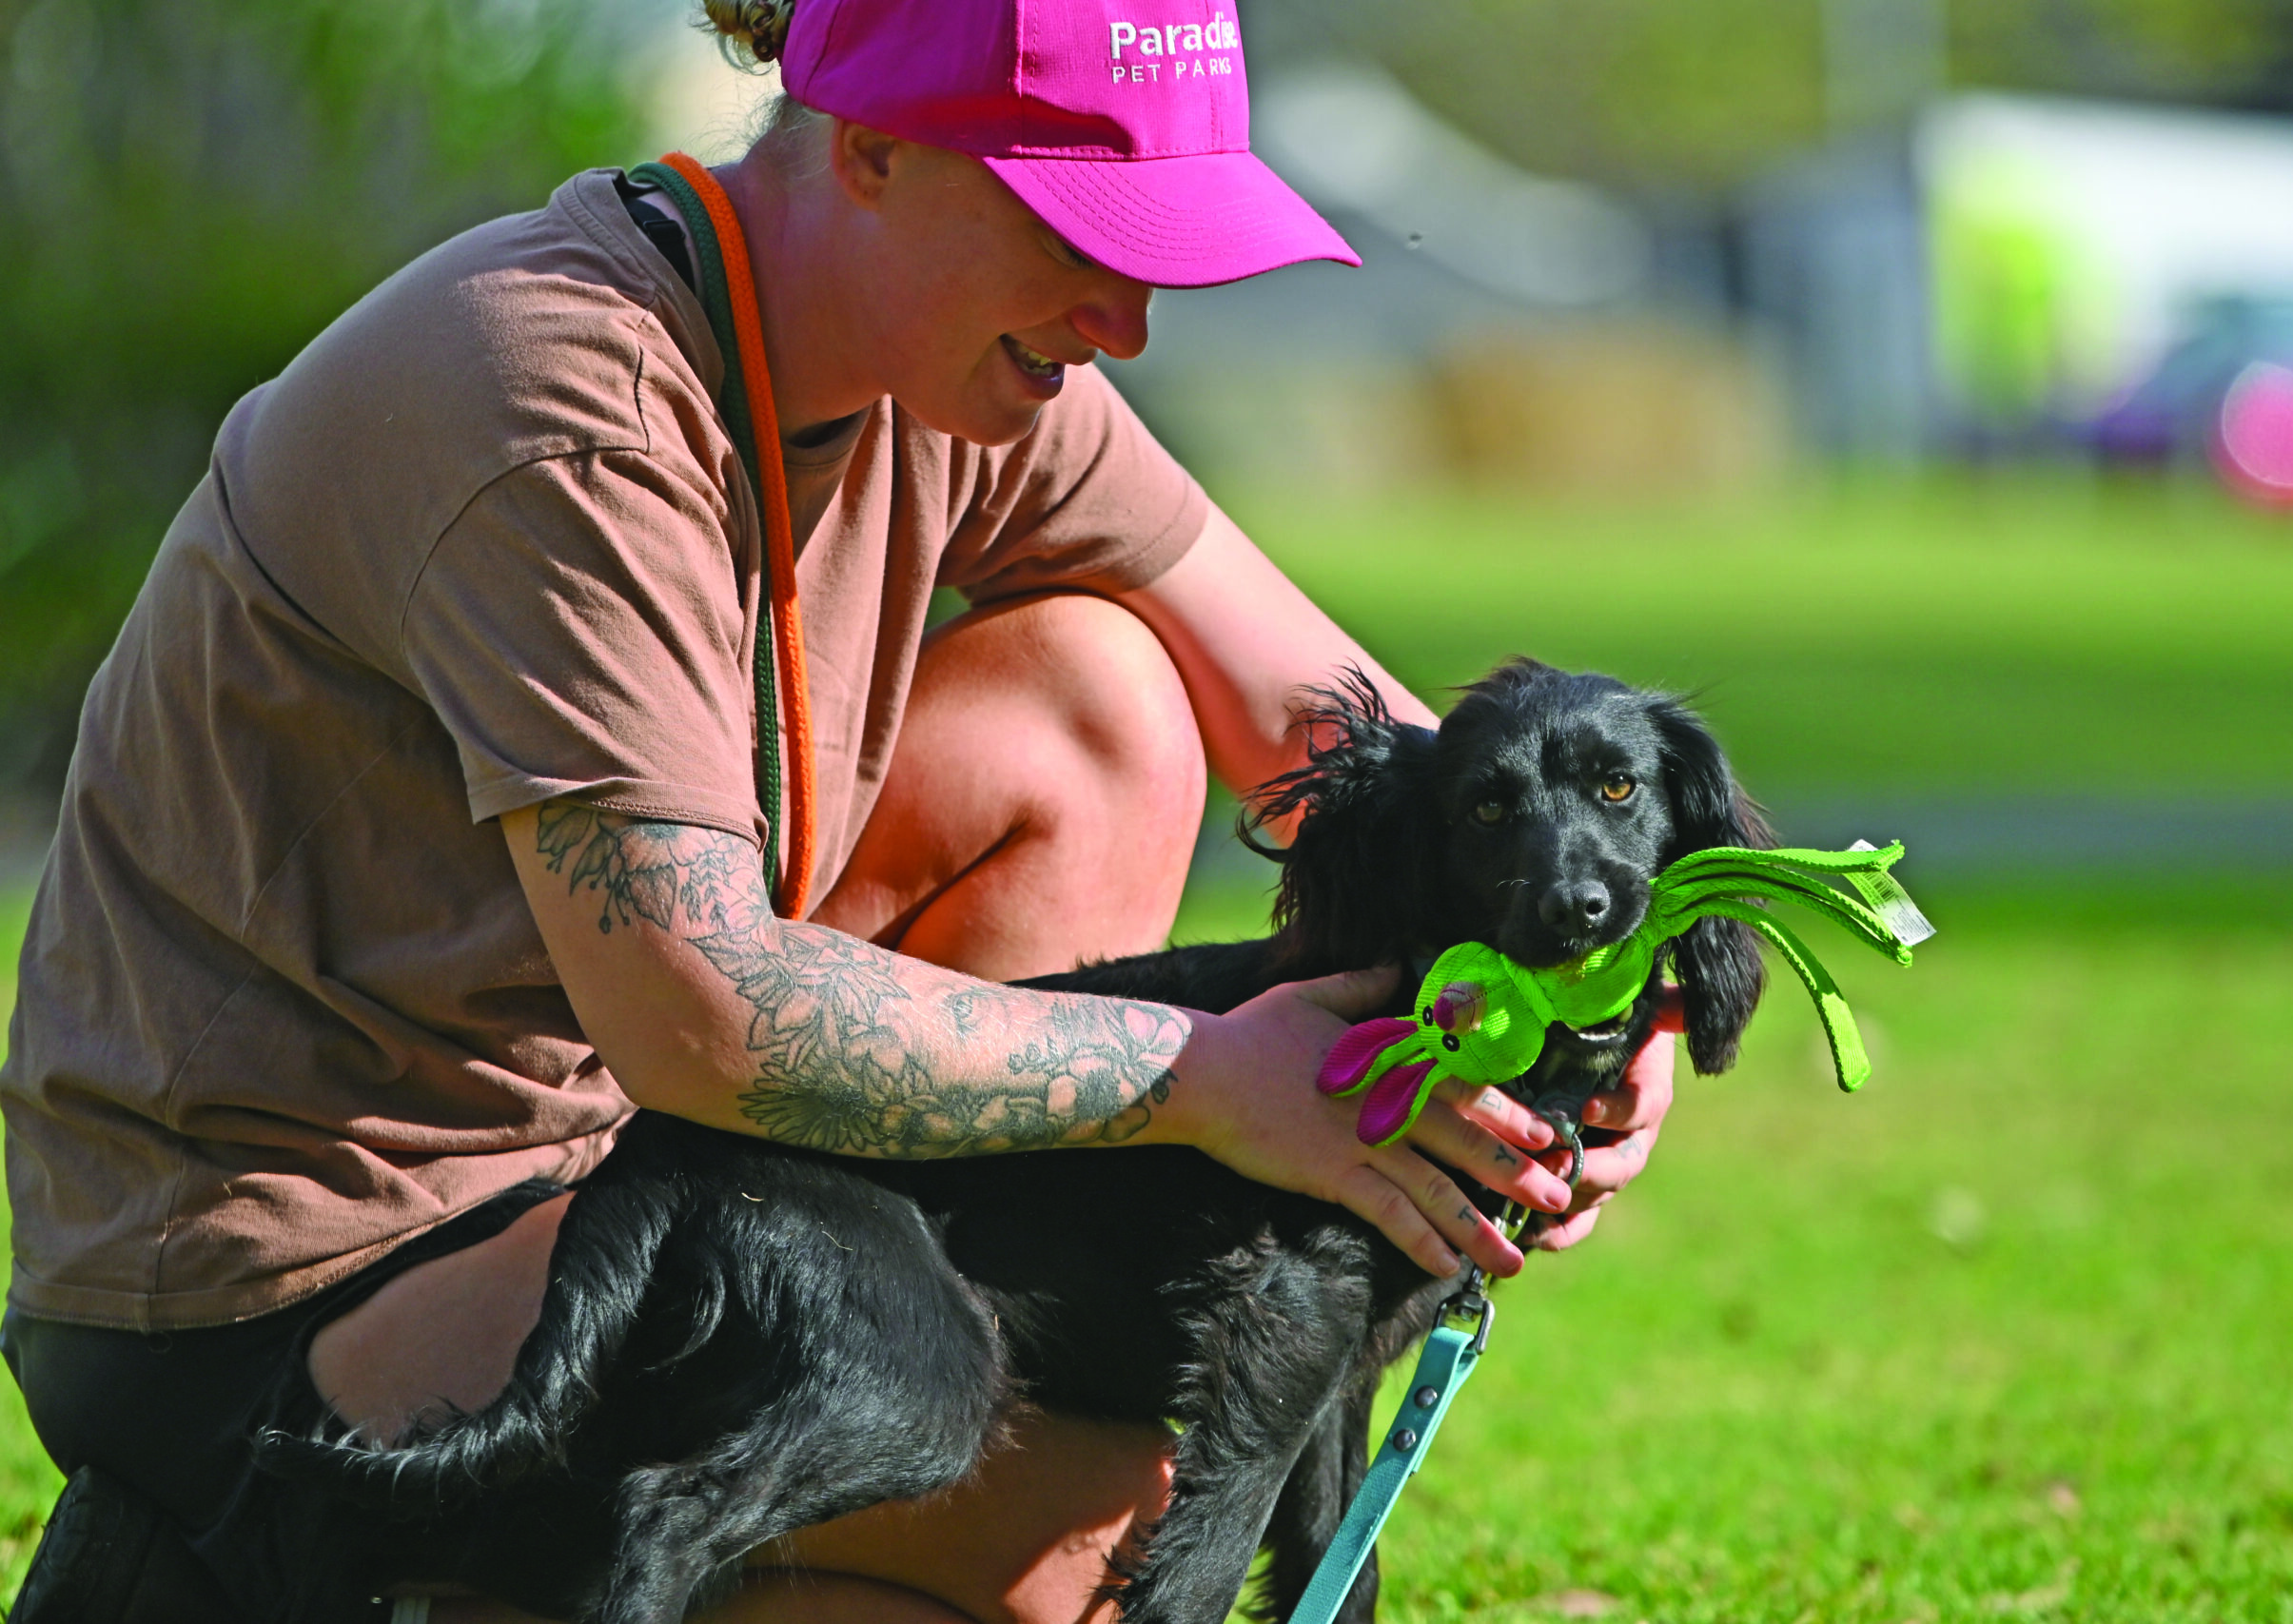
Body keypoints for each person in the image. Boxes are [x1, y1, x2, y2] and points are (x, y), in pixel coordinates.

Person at [0, 1, 1681, 1619]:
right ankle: (305, 1573)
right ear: (873, 146)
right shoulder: (559, 401)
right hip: (291, 1276)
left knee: (1099, 692)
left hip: (642, 1167)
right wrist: (1208, 1081)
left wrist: (1598, 983)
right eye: (1086, 228)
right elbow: (706, 1018)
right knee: (1077, 1557)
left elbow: (1344, 730)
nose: (1130, 315)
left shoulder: (948, 364)